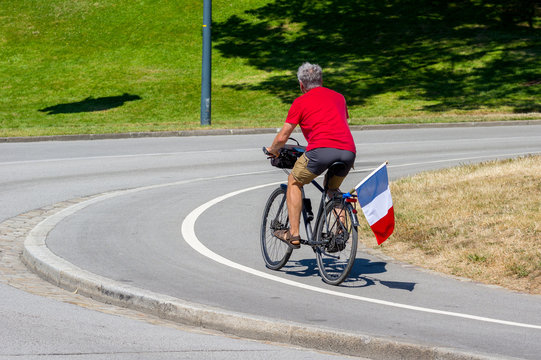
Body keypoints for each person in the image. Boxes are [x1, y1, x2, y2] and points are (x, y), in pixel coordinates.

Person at [266, 62, 356, 249]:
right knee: (332, 190)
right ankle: (341, 230)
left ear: (301, 85)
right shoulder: (339, 97)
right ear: (321, 80)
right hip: (348, 152)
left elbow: (283, 137)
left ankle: (294, 234)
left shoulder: (300, 102)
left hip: (320, 151)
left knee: (294, 181)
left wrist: (272, 150)